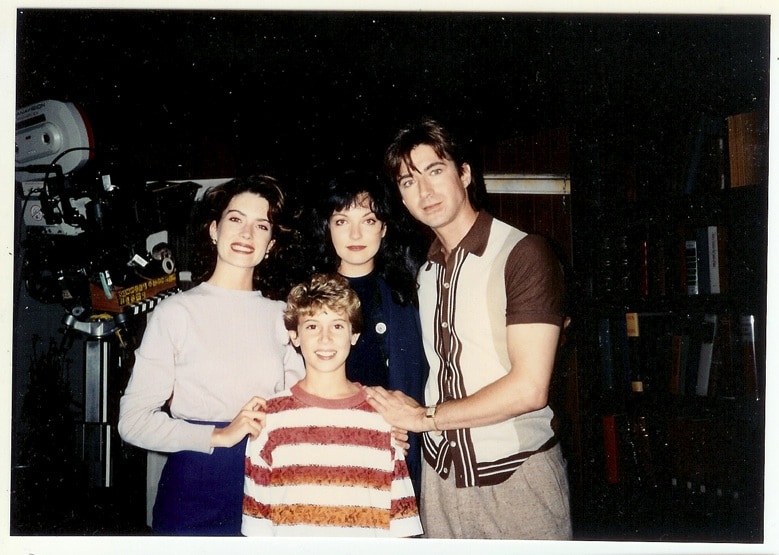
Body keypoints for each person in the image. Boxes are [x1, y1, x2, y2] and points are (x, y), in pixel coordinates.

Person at [365, 118, 572, 540]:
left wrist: (424, 417)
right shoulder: (425, 271)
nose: (424, 191)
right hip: (440, 482)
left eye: (435, 171)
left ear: (464, 173)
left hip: (516, 477)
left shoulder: (523, 252)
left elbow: (530, 388)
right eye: (407, 181)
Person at [118, 175, 305, 536]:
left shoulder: (284, 316)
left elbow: (300, 407)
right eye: (235, 219)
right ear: (214, 230)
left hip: (269, 483)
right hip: (195, 487)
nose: (247, 234)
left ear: (270, 244)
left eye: (261, 225)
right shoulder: (176, 313)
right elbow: (133, 422)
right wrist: (219, 436)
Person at [242, 273, 423, 538]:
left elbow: (402, 527)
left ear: (354, 334)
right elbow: (258, 527)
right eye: (312, 326)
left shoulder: (383, 416)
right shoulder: (269, 418)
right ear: (294, 336)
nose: (325, 339)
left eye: (338, 326)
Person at [309, 169, 428, 497]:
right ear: (328, 228)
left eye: (369, 220)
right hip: (327, 447)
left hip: (394, 449)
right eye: (342, 221)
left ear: (384, 228)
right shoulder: (308, 297)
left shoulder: (409, 296)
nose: (356, 233)